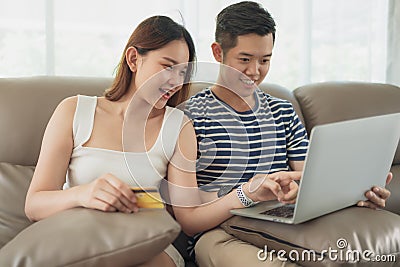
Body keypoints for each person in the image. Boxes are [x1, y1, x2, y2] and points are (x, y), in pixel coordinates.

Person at [24, 14, 298, 267]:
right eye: (167, 67)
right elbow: (34, 204)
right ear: (133, 59)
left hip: (147, 244)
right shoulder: (74, 110)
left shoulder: (178, 125)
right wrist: (83, 194)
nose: (175, 82)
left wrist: (246, 193)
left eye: (183, 73)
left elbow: (189, 220)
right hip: (81, 237)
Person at [183, 1, 393, 266]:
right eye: (244, 59)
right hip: (220, 231)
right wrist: (247, 193)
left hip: (284, 223)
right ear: (218, 52)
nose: (254, 72)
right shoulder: (190, 116)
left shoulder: (282, 111)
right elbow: (189, 219)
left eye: (265, 60)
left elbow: (311, 181)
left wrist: (356, 194)